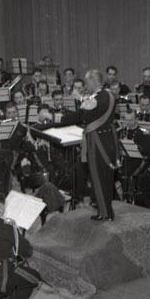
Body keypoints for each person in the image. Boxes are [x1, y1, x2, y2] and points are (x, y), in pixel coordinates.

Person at [60, 69, 118, 220]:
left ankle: (105, 213)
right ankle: (105, 211)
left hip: (98, 142)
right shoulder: (109, 95)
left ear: (93, 81)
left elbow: (84, 115)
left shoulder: (98, 97)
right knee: (104, 178)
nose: (86, 86)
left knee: (99, 177)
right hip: (108, 139)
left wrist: (61, 117)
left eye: (87, 83)